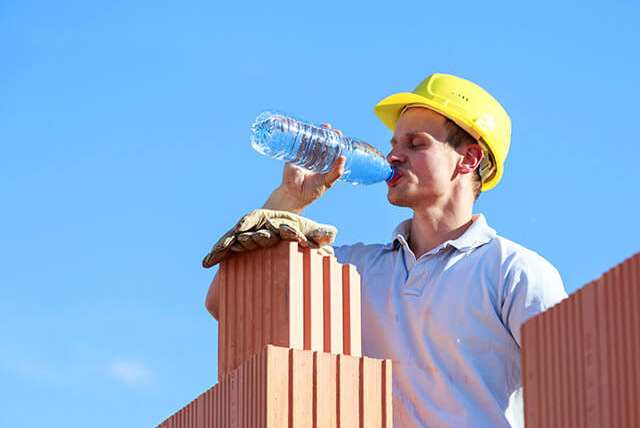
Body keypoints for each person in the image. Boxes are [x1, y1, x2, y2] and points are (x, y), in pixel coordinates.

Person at [204, 73, 567, 428]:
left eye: (415, 144)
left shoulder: (513, 271)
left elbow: (572, 384)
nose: (393, 156)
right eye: (393, 144)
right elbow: (227, 305)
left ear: (468, 158)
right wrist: (288, 202)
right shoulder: (354, 270)